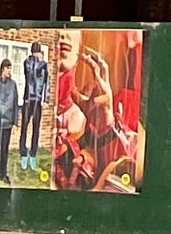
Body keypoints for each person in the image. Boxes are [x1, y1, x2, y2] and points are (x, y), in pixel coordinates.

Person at [51, 31, 141, 192]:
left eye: (70, 25)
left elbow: (133, 174)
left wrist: (106, 127)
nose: (62, 32)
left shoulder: (91, 116)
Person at [20, 41, 48, 171]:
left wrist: (46, 98)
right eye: (35, 52)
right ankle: (23, 154)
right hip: (28, 99)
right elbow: (30, 75)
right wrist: (37, 61)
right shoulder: (27, 62)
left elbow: (46, 81)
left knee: (36, 128)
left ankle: (33, 155)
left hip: (38, 100)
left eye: (38, 51)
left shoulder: (44, 65)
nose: (37, 54)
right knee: (24, 127)